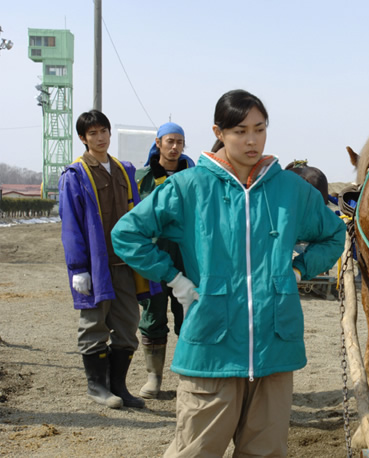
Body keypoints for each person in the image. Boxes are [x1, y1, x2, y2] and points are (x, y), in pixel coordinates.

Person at [111, 89, 346, 457]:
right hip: (212, 349)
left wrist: (299, 271)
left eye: (260, 128)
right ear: (218, 132)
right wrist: (176, 280)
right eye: (239, 131)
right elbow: (127, 234)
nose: (251, 140)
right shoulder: (190, 187)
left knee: (266, 452)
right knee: (196, 451)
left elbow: (334, 234)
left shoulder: (290, 190)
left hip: (274, 348)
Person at [59, 109, 155, 410]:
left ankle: (119, 387)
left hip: (125, 263)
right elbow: (71, 224)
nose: (100, 138)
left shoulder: (123, 169)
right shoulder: (75, 175)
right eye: (93, 133)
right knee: (94, 324)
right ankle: (97, 388)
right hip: (96, 266)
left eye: (104, 131)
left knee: (128, 325)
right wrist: (78, 268)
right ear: (83, 139)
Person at [134, 122, 195, 399]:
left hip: (187, 258)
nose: (175, 147)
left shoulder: (195, 176)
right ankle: (153, 378)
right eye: (170, 141)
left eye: (180, 142)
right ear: (158, 143)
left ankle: (188, 375)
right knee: (152, 314)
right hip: (155, 257)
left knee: (189, 315)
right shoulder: (142, 179)